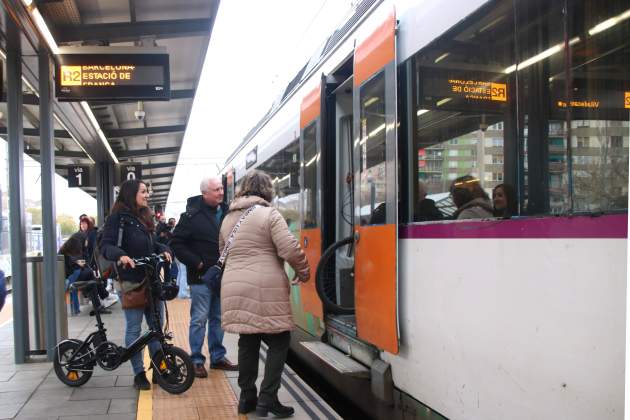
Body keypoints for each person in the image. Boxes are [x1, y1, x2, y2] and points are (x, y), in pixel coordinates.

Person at [219, 170, 309, 417]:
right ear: (267, 190)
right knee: (279, 340)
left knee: (248, 339)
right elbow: (289, 248)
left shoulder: (228, 219)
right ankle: (268, 398)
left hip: (234, 285)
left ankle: (247, 397)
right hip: (264, 285)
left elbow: (222, 253)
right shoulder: (269, 214)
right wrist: (304, 271)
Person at [100, 179, 172, 390]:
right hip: (131, 282)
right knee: (134, 328)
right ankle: (138, 373)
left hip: (151, 281)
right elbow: (106, 246)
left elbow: (152, 244)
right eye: (143, 192)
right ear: (131, 194)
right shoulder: (117, 219)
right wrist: (121, 256)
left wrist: (163, 249)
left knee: (156, 328)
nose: (147, 195)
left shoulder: (144, 217)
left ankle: (159, 369)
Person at [170, 176, 237, 378]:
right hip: (201, 277)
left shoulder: (228, 213)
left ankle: (218, 358)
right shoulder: (190, 216)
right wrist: (197, 263)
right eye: (216, 190)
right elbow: (176, 244)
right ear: (205, 193)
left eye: (221, 189)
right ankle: (197, 360)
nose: (221, 192)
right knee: (199, 319)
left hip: (222, 276)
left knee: (218, 318)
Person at [59, 232, 92, 315]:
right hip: (66, 277)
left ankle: (75, 309)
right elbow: (69, 268)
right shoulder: (64, 255)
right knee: (73, 287)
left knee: (74, 285)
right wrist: (78, 265)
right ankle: (75, 310)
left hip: (67, 276)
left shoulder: (63, 252)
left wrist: (77, 264)